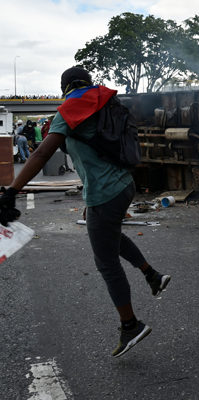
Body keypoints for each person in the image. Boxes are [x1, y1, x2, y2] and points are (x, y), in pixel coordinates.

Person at [0, 66, 171, 357]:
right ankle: (152, 275)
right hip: (123, 184)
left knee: (106, 262)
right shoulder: (107, 101)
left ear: (65, 87)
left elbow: (42, 154)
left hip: (105, 192)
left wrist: (12, 191)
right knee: (109, 234)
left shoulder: (69, 108)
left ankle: (130, 325)